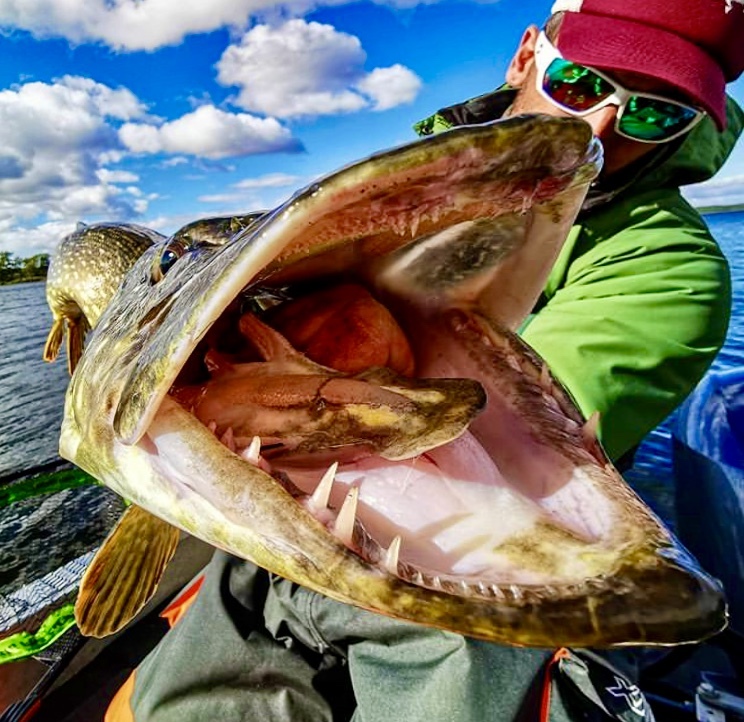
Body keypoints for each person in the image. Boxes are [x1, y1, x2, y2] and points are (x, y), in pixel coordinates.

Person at [106, 2, 744, 720]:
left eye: (656, 115)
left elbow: (465, 424)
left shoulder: (673, 267)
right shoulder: (398, 180)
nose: (600, 127)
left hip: (477, 544)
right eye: (581, 83)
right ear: (527, 55)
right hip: (288, 515)